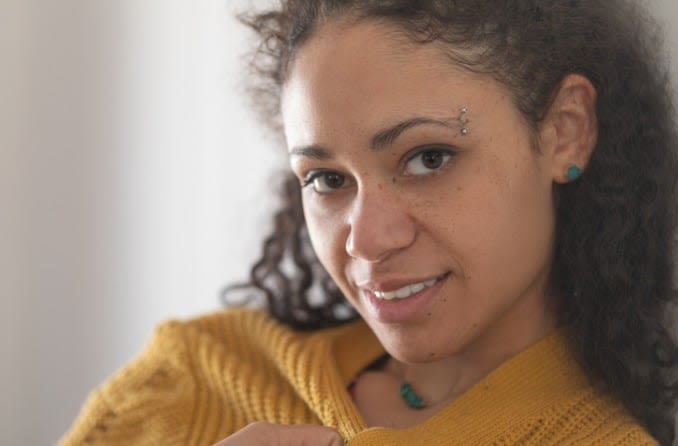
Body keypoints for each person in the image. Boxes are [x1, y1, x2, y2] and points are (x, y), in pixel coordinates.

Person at [59, 0, 678, 445]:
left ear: (565, 132)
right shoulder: (192, 380)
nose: (365, 240)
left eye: (429, 158)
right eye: (327, 179)